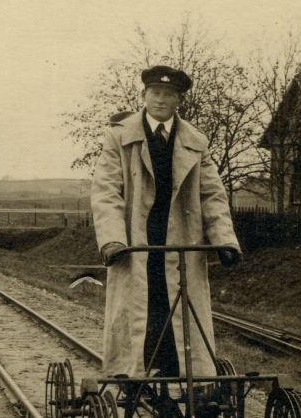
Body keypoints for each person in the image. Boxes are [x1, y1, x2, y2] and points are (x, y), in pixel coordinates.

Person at [91, 65, 242, 382]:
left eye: (169, 94)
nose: (161, 99)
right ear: (144, 96)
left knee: (179, 312)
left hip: (181, 242)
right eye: (155, 93)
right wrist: (113, 240)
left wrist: (224, 239)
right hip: (134, 242)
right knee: (139, 311)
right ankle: (130, 379)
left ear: (179, 101)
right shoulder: (119, 137)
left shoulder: (196, 141)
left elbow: (212, 194)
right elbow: (106, 192)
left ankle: (182, 383)